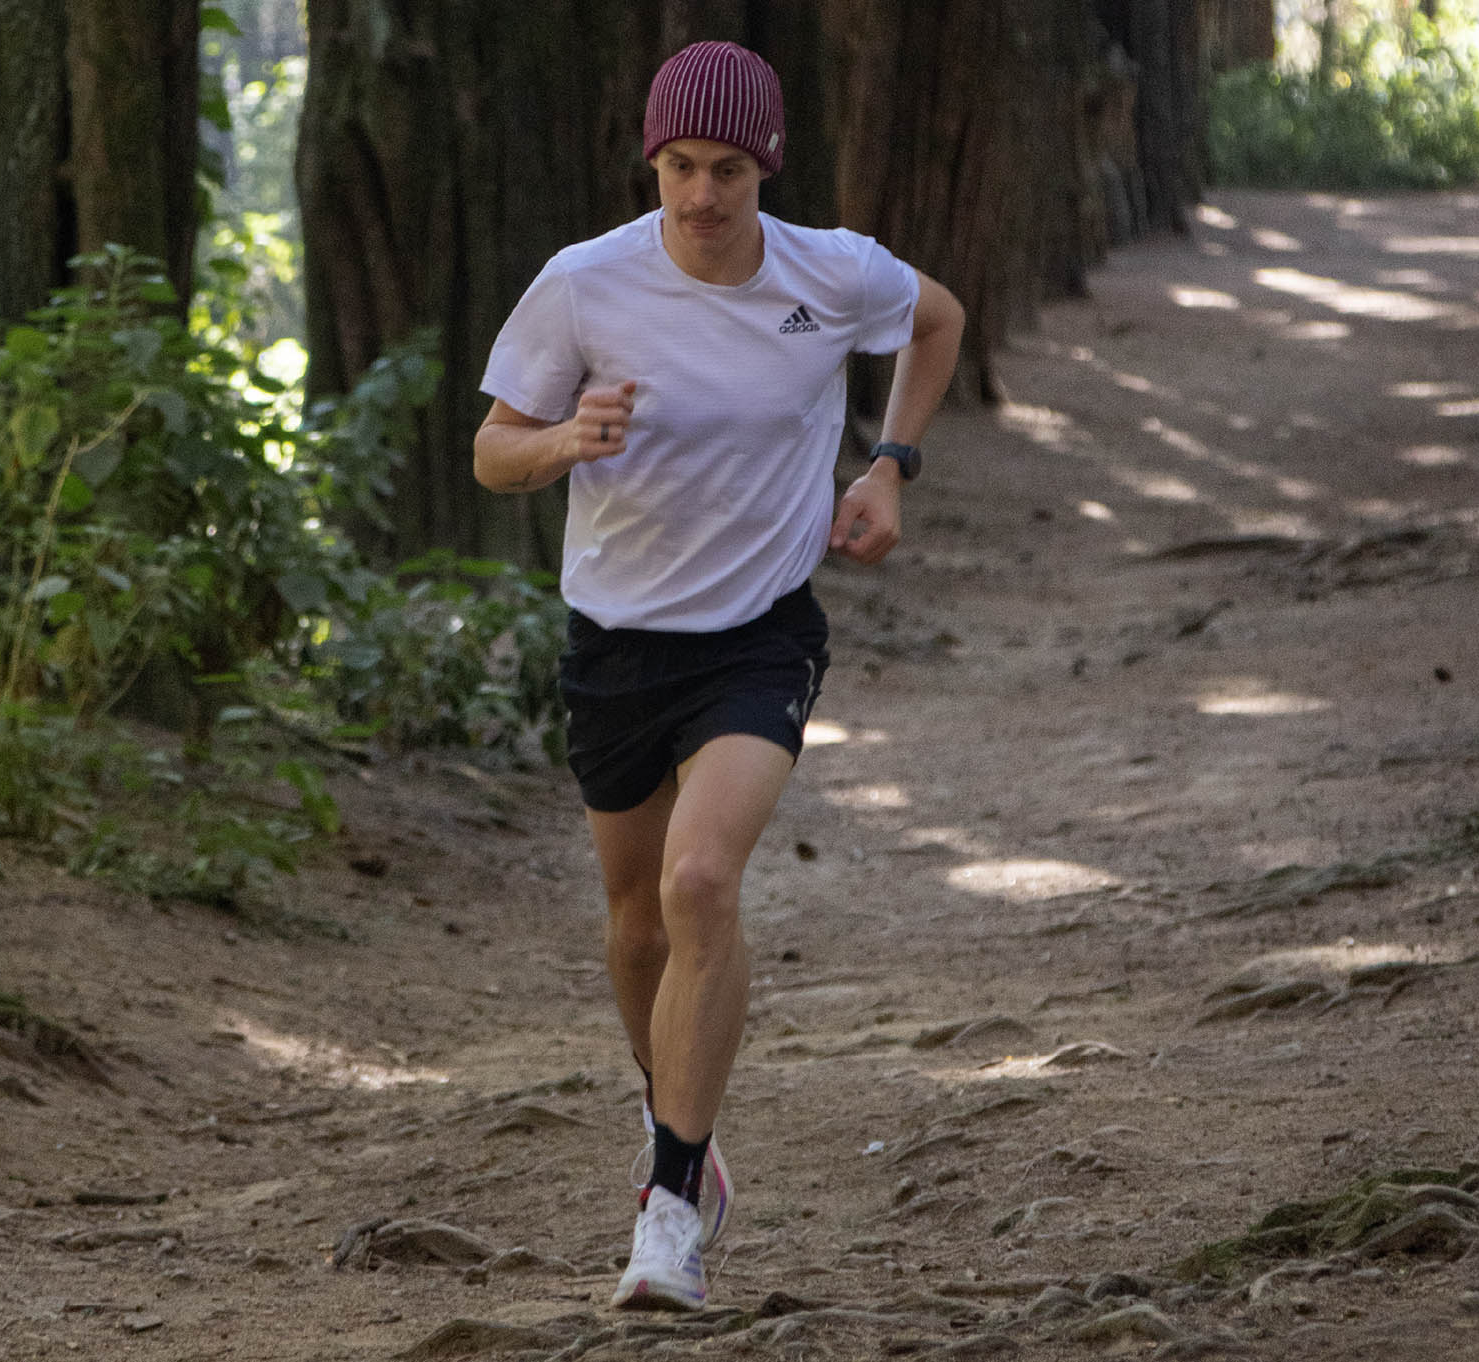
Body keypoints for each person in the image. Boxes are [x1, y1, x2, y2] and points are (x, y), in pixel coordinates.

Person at [473, 39, 963, 1311]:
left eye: (728, 170)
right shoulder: (583, 285)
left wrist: (890, 466)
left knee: (699, 883)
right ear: (652, 161)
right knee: (638, 927)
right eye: (680, 166)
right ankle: (680, 1135)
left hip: (757, 637)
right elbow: (490, 452)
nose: (701, 194)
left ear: (767, 167)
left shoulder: (829, 272)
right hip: (614, 646)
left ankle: (669, 1213)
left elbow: (938, 319)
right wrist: (565, 440)